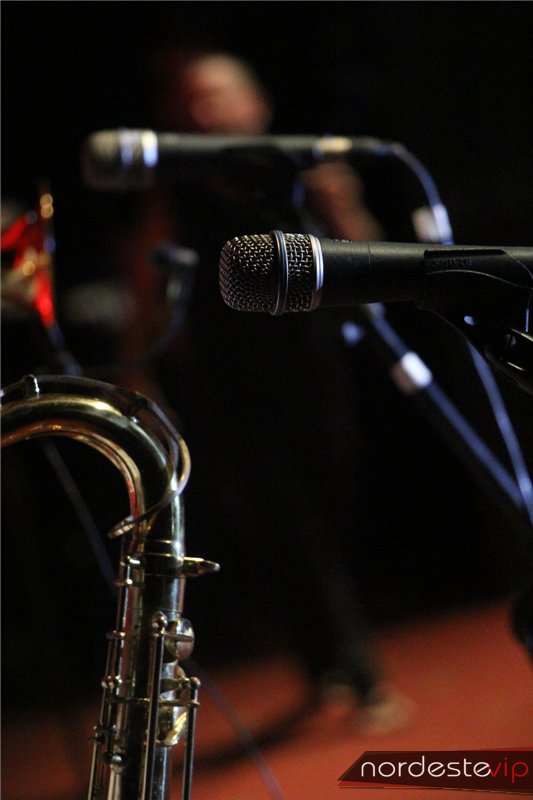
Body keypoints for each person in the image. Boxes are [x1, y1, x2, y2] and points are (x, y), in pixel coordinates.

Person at [111, 45, 412, 734]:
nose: (205, 109)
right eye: (191, 99)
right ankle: (356, 674)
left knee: (327, 510)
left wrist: (343, 209)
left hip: (317, 370)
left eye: (218, 94)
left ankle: (329, 663)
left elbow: (370, 262)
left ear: (257, 103)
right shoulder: (176, 193)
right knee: (287, 522)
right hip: (229, 385)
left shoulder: (304, 173)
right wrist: (138, 374)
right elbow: (143, 290)